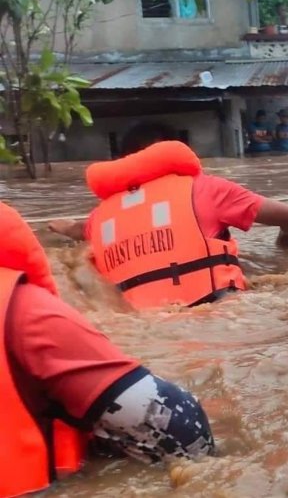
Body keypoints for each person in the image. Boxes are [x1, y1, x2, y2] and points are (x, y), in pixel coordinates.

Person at [0, 200, 214, 496]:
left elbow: (85, 230)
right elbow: (178, 421)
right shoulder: (22, 311)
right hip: (198, 312)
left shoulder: (103, 215)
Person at [49, 122, 288, 309]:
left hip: (146, 329)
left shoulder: (101, 217)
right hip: (222, 312)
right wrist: (285, 242)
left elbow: (79, 231)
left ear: (124, 161)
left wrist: (63, 227)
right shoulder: (206, 189)